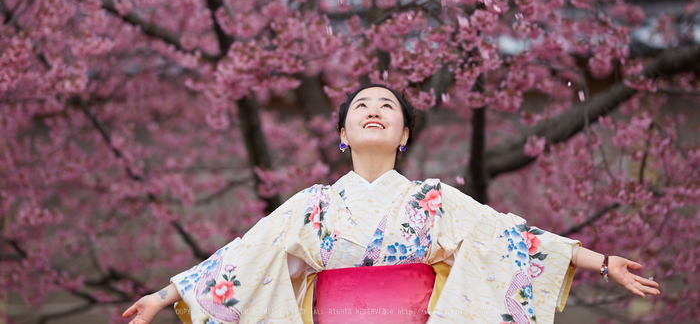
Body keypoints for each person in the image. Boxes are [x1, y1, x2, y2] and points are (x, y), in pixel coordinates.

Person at [123, 84, 660, 324]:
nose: (374, 111)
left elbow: (512, 239)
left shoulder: (432, 200)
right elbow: (244, 255)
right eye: (361, 106)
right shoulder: (312, 206)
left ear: (405, 133)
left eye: (388, 107)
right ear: (343, 133)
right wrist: (164, 294)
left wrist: (604, 263)